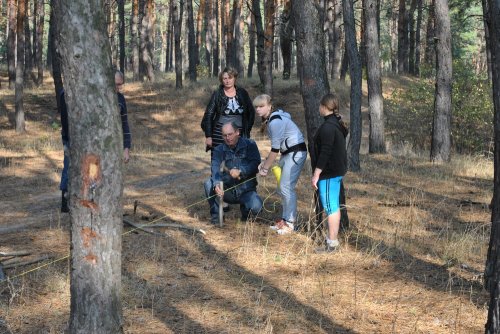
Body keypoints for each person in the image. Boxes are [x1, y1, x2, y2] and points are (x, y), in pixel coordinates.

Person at [59, 70, 131, 212]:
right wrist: (70, 140)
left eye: (120, 85)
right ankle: (65, 199)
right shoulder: (87, 95)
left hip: (106, 145)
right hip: (73, 139)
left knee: (96, 171)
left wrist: (126, 147)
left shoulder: (120, 99)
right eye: (116, 84)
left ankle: (92, 198)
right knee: (70, 167)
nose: (118, 88)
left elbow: (125, 124)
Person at [253, 94, 307, 235]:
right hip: (287, 153)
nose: (258, 109)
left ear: (270, 106)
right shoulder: (272, 119)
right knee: (282, 187)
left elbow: (274, 150)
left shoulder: (275, 122)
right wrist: (264, 163)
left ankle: (290, 223)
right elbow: (276, 148)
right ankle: (284, 221)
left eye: (261, 106)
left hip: (295, 153)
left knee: (286, 187)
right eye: (256, 107)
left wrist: (265, 168)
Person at [203, 122, 263, 225]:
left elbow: (255, 164)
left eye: (230, 134)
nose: (227, 138)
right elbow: (215, 168)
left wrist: (241, 171)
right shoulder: (218, 150)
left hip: (246, 190)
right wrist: (216, 184)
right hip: (227, 191)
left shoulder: (250, 145)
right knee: (209, 183)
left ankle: (246, 214)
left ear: (237, 132)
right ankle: (217, 217)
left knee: (257, 207)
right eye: (224, 135)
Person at [310, 93, 348, 252]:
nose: (318, 108)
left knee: (331, 208)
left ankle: (332, 243)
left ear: (324, 107)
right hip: (336, 171)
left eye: (320, 105)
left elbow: (325, 151)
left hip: (329, 173)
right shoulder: (336, 124)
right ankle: (332, 241)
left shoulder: (328, 127)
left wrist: (317, 173)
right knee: (333, 206)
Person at [201, 66, 255, 153]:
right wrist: (208, 136)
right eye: (224, 78)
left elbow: (251, 112)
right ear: (221, 80)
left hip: (239, 134)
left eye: (230, 78)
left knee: (238, 162)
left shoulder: (242, 93)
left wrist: (246, 130)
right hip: (219, 135)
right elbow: (208, 115)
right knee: (218, 162)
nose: (227, 81)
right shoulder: (217, 94)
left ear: (235, 78)